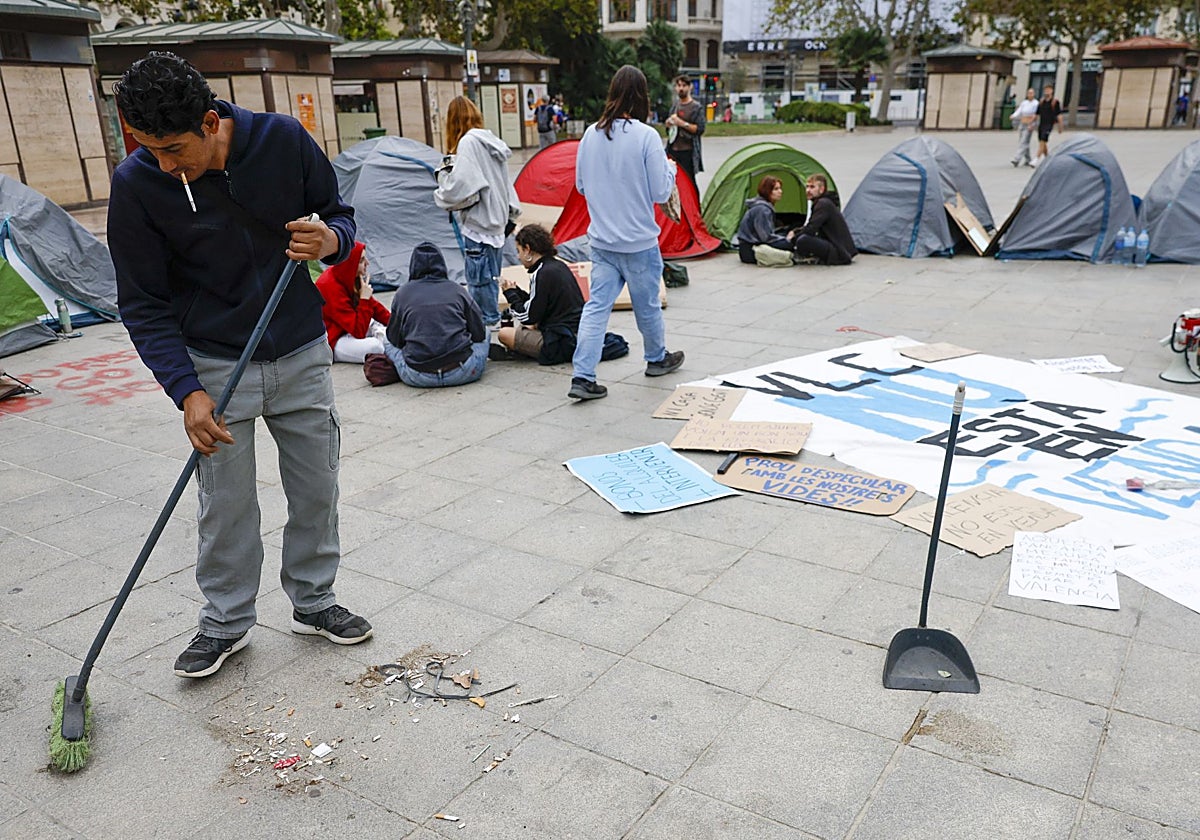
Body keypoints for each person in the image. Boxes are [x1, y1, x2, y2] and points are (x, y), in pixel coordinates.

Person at [108, 52, 372, 680]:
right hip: (215, 364)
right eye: (150, 150)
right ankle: (224, 622)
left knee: (316, 487)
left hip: (303, 349)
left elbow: (339, 214)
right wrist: (185, 391)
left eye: (174, 148)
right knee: (224, 504)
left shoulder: (281, 140)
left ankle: (314, 600)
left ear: (210, 120)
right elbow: (142, 304)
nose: (166, 165)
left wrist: (330, 240)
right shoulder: (138, 183)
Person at [569, 65, 685, 401]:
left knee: (596, 308)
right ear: (642, 97)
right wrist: (670, 169)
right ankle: (656, 358)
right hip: (638, 241)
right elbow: (661, 192)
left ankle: (583, 376)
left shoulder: (590, 134)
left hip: (602, 240)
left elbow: (579, 184)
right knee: (646, 304)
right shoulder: (646, 136)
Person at [434, 96, 520, 329]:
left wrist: (440, 194)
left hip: (479, 222)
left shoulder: (468, 144)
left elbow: (462, 184)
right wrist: (510, 214)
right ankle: (491, 320)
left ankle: (487, 322)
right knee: (491, 276)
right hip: (497, 221)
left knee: (478, 279)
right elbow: (504, 182)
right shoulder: (491, 141)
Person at [383, 242, 489, 387]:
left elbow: (394, 339)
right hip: (462, 371)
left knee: (386, 341)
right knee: (487, 331)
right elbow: (479, 333)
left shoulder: (402, 293)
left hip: (417, 376)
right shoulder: (458, 290)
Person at [497, 224, 584, 364]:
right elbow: (539, 304)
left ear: (527, 249)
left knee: (504, 334)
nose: (518, 257)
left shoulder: (541, 273)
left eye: (519, 251)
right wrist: (517, 292)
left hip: (561, 341)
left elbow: (528, 317)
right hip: (576, 332)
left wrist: (511, 296)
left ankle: (524, 351)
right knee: (528, 327)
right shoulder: (557, 265)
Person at [315, 241, 390, 363]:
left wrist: (397, 324)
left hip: (351, 327)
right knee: (375, 347)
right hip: (335, 339)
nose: (367, 263)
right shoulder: (328, 286)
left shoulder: (350, 276)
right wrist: (364, 299)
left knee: (390, 326)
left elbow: (377, 309)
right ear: (350, 264)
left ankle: (386, 338)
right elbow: (358, 331)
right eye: (361, 261)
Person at [791, 174, 856, 266]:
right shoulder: (823, 202)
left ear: (821, 189)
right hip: (840, 248)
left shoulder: (823, 204)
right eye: (807, 187)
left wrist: (793, 238)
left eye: (812, 187)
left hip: (839, 252)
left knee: (803, 240)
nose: (808, 190)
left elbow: (811, 229)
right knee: (801, 237)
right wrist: (796, 231)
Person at [736, 176, 795, 264]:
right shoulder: (762, 209)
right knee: (791, 243)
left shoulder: (761, 205)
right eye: (776, 189)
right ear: (767, 191)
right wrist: (787, 239)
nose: (780, 192)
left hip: (748, 247)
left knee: (786, 234)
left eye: (780, 188)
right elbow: (766, 237)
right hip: (750, 250)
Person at [664, 74, 705, 190]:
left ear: (690, 87)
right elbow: (669, 130)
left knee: (689, 183)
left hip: (688, 152)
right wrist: (668, 124)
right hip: (673, 150)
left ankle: (694, 206)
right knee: (673, 182)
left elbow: (700, 129)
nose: (681, 88)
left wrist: (682, 123)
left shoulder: (696, 107)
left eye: (684, 85)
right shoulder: (675, 106)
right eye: (678, 85)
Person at [1035, 85, 1063, 165]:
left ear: (1052, 91)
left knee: (1043, 140)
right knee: (1042, 142)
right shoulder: (1041, 102)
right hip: (1042, 124)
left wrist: (1060, 126)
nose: (1047, 91)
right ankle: (1048, 158)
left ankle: (1036, 158)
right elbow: (1037, 114)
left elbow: (1059, 115)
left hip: (1049, 124)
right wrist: (1032, 123)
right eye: (1045, 90)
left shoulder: (1055, 102)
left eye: (1048, 90)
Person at [1010, 88, 1038, 168]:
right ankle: (1028, 159)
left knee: (1024, 141)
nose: (1030, 95)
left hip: (1030, 123)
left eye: (1031, 93)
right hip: (1023, 122)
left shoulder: (1036, 103)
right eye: (1029, 93)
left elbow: (1036, 114)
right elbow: (1019, 111)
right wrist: (1014, 115)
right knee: (1023, 141)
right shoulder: (1024, 103)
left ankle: (1017, 159)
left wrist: (1032, 124)